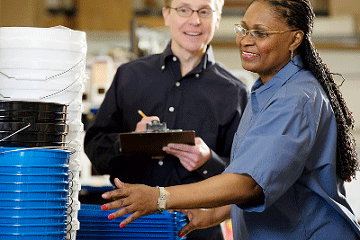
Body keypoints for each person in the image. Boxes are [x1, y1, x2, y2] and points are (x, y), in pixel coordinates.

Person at [100, 0, 360, 239]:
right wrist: (214, 213)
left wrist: (159, 197)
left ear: (295, 39)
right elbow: (270, 175)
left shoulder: (296, 98)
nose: (246, 40)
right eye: (244, 29)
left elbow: (248, 183)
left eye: (260, 33)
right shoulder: (266, 90)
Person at [84, 0, 249, 239]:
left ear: (218, 18)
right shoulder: (129, 76)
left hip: (197, 232)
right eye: (183, 9)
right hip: (130, 228)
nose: (194, 20)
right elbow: (94, 150)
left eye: (204, 11)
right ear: (166, 15)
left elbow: (246, 181)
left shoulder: (235, 92)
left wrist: (208, 161)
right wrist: (130, 142)